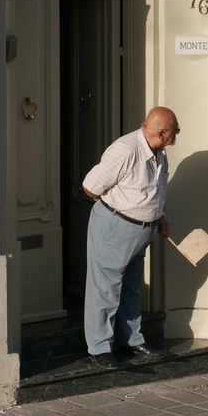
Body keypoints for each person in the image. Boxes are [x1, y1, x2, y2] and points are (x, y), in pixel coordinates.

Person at [80, 106, 179, 369]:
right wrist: (118, 210)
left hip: (142, 230)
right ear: (162, 132)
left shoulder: (159, 152)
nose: (176, 136)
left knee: (131, 286)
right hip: (117, 226)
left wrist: (159, 215)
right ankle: (100, 347)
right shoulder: (125, 150)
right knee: (106, 286)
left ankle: (132, 340)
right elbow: (90, 186)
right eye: (175, 131)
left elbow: (152, 190)